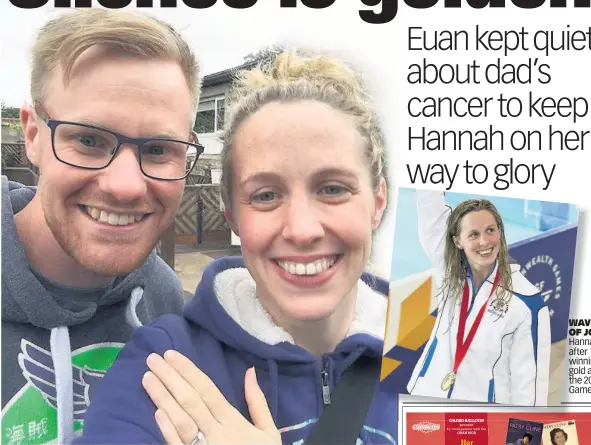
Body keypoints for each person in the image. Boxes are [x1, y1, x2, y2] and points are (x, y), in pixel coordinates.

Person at [74, 49, 398, 445]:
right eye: (265, 195)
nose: (301, 230)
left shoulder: (445, 351)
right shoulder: (168, 363)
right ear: (231, 216)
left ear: (378, 202)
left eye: (332, 189)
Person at [1, 9, 203, 445]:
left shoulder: (164, 299)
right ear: (33, 136)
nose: (127, 186)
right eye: (89, 140)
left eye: (157, 149)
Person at [406, 190, 551, 405]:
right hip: (425, 404)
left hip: (478, 423)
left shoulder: (526, 301)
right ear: (457, 241)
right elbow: (429, 206)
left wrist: (523, 436)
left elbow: (530, 384)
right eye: (473, 234)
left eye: (490, 230)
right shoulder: (450, 271)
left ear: (500, 233)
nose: (484, 241)